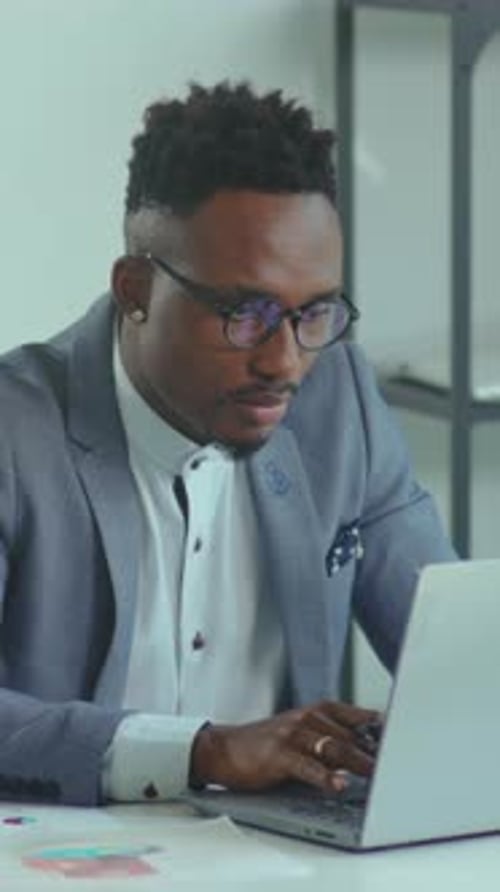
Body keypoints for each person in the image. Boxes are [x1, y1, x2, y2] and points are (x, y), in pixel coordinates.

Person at [0, 82, 455, 808]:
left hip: (281, 857)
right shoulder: (16, 433)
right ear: (134, 290)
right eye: (246, 314)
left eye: (315, 312)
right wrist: (206, 750)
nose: (285, 361)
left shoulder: (339, 401)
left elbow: (455, 661)